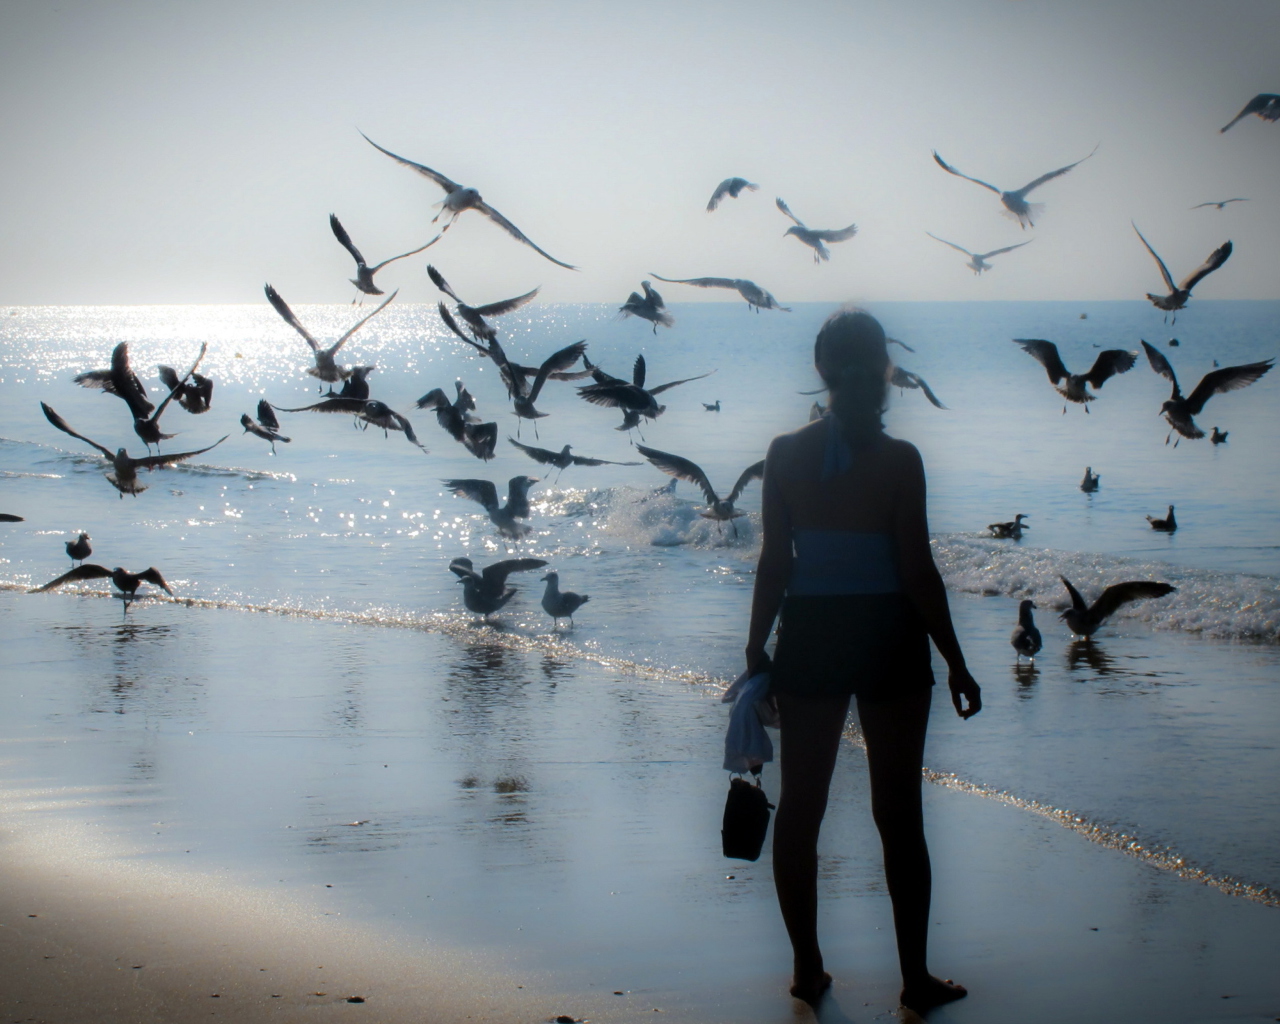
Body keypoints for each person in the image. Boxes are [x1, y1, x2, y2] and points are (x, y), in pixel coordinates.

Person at [744, 308, 981, 1012]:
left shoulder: (785, 453)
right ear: (884, 371)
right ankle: (914, 979)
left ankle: (806, 969)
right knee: (899, 815)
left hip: (812, 633)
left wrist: (756, 650)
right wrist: (958, 660)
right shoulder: (900, 461)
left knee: (801, 810)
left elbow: (774, 564)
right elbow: (918, 573)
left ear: (819, 369)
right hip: (888, 633)